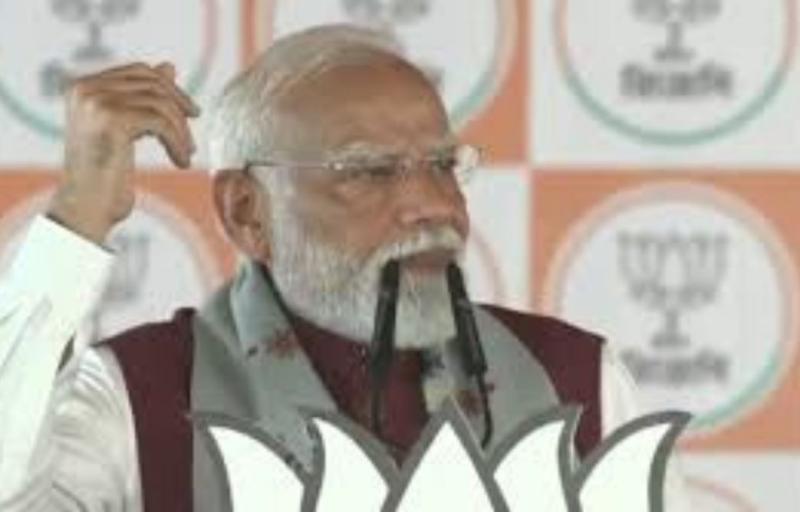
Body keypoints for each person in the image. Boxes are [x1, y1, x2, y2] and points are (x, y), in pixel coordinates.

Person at [0, 25, 688, 511]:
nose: (433, 206)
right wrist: (77, 217)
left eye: (442, 165)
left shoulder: (580, 379)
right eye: (369, 171)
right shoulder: (137, 393)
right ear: (246, 211)